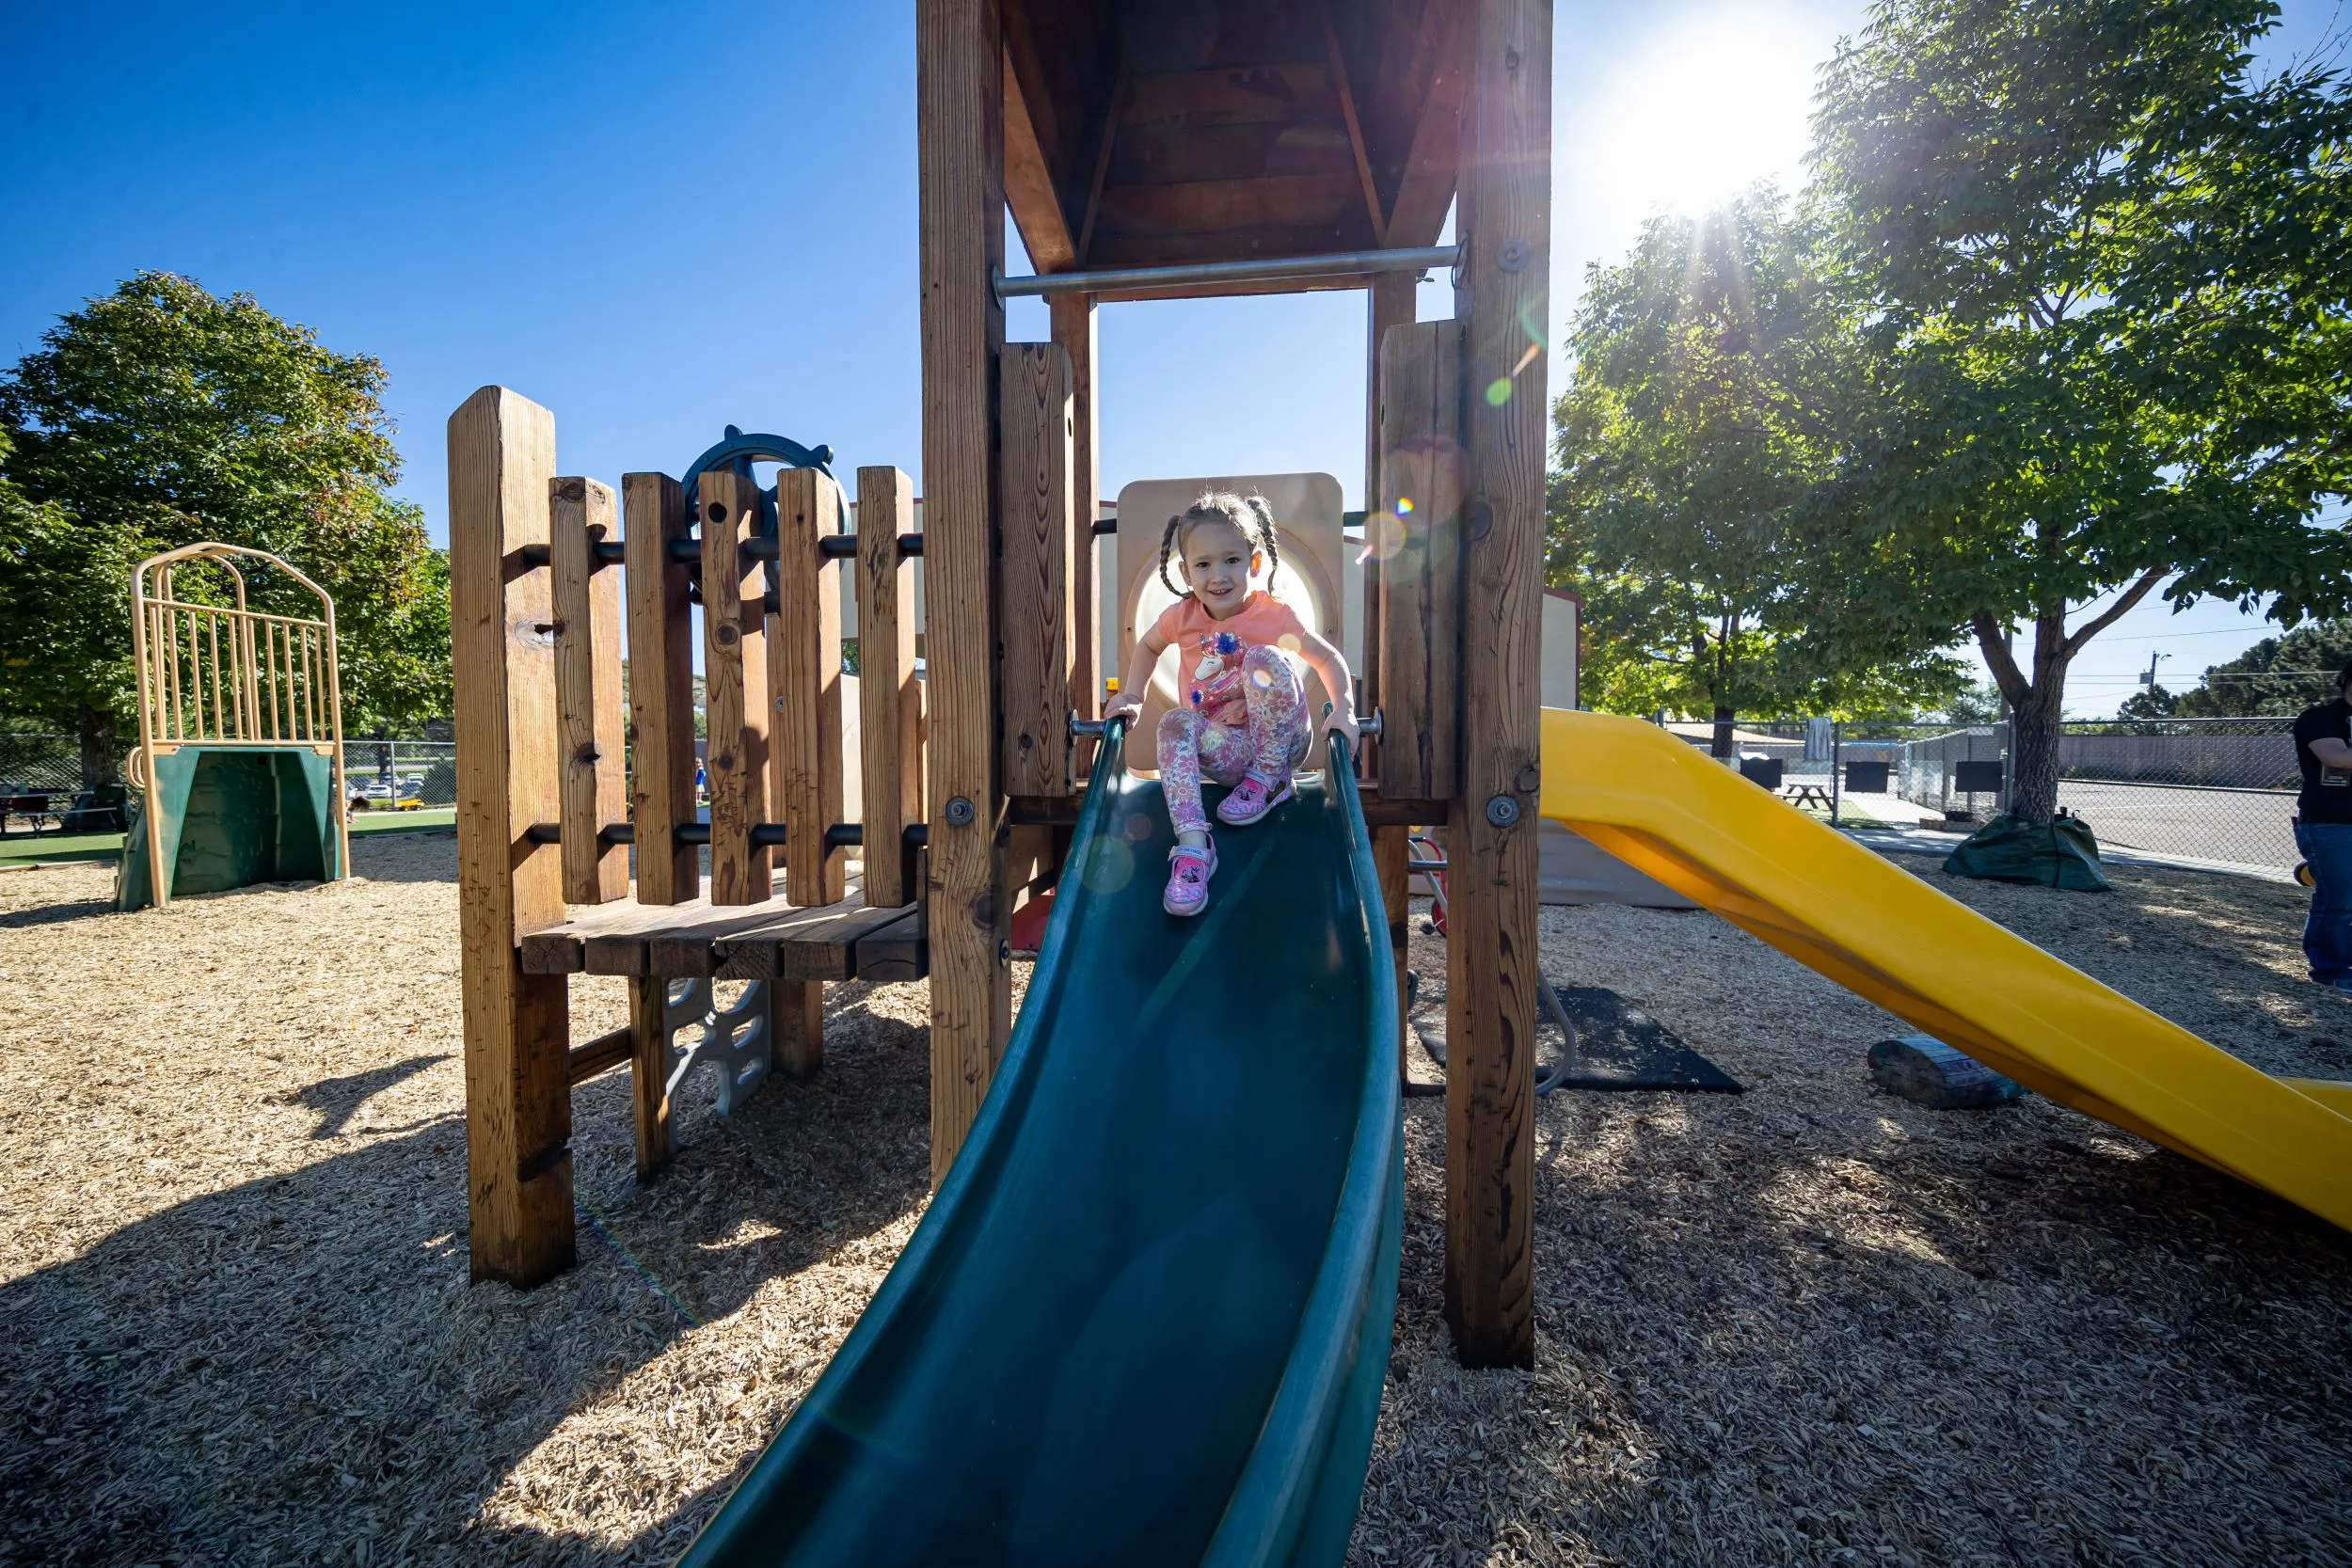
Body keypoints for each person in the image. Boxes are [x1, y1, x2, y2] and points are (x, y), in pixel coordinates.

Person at [1102, 492, 1359, 916]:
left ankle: (1271, 780)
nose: (1217, 575)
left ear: (1253, 563)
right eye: (1203, 564)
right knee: (1175, 722)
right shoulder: (1180, 617)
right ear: (1185, 571)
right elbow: (1147, 647)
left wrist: (1344, 710)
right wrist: (1132, 696)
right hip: (1228, 754)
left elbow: (1326, 658)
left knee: (1263, 658)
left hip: (1280, 745)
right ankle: (1193, 847)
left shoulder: (1272, 615)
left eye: (1231, 560)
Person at [2291, 661, 2352, 990]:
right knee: (2338, 899)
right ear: (2344, 680)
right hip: (2331, 822)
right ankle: (2331, 971)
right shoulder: (2320, 718)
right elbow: (2338, 757)